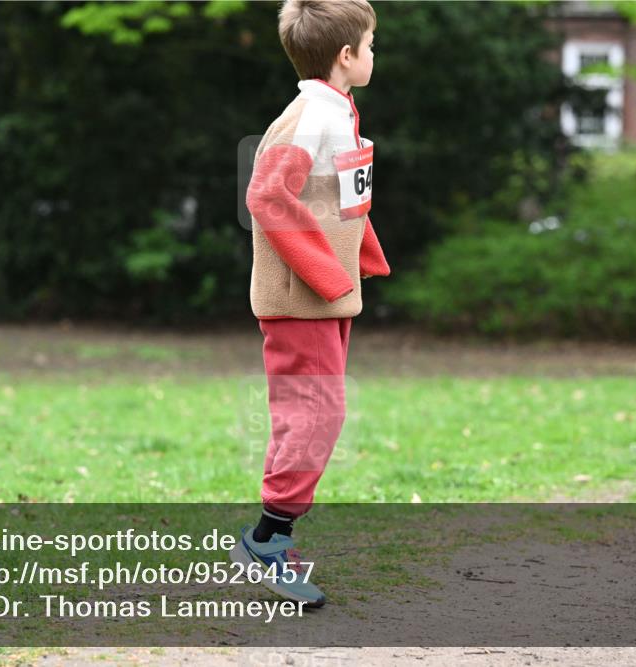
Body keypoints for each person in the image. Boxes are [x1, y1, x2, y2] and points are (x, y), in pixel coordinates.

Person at [230, 0, 390, 608]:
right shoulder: (311, 117)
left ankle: (272, 534)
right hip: (302, 299)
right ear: (346, 57)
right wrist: (327, 274)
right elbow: (268, 196)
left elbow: (344, 200)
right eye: (370, 45)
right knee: (316, 414)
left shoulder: (337, 110)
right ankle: (267, 540)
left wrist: (360, 258)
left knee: (317, 413)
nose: (374, 55)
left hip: (327, 296)